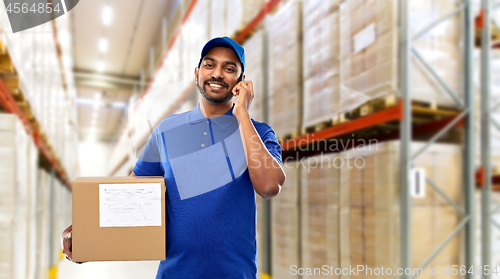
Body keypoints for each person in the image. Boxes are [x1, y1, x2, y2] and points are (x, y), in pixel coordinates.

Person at [62, 36, 285, 278]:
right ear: (197, 72)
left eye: (229, 68)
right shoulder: (167, 130)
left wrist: (242, 114)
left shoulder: (258, 133)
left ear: (242, 82)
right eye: (210, 65)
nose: (218, 74)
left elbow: (269, 186)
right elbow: (131, 195)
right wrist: (87, 234)